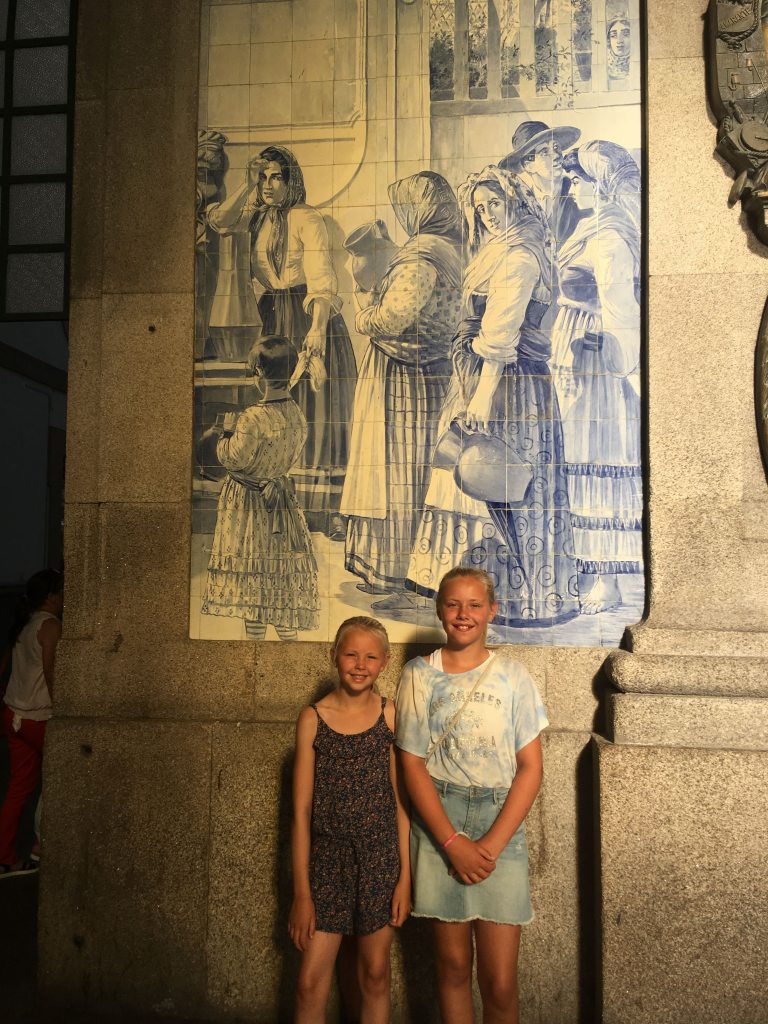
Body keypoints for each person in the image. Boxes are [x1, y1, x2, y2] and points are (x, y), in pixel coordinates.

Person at [407, 165, 579, 628]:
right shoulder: (496, 250)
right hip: (489, 375)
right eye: (479, 208)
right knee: (476, 475)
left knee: (500, 478)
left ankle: (519, 597)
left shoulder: (520, 256)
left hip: (508, 385)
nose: (486, 215)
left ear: (515, 203)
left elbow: (500, 336)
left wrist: (481, 396)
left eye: (495, 204)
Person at [396, 567, 547, 1024]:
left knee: (499, 982)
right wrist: (451, 842)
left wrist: (492, 845)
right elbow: (411, 764)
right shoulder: (418, 674)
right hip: (439, 822)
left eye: (475, 605)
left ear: (491, 611)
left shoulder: (513, 676)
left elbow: (531, 768)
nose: (464, 614)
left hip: (500, 822)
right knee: (454, 967)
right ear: (440, 610)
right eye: (453, 604)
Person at [207, 144, 357, 537]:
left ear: (291, 180)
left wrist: (317, 331)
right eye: (263, 177)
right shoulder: (255, 217)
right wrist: (246, 184)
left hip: (309, 314)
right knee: (273, 410)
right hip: (271, 316)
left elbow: (322, 280)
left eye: (276, 177)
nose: (268, 185)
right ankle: (279, 507)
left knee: (315, 410)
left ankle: (323, 511)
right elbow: (220, 221)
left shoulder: (308, 218)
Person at [342, 171, 462, 609]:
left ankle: (400, 576)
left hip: (404, 378)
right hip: (432, 371)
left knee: (399, 473)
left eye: (407, 206)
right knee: (414, 472)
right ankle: (401, 574)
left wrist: (361, 309)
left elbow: (391, 319)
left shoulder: (420, 257)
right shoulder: (452, 250)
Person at [289, 616, 410, 1024]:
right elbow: (301, 813)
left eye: (371, 657)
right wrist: (302, 895)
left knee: (374, 974)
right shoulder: (312, 718)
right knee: (309, 983)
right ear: (334, 656)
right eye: (351, 654)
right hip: (326, 863)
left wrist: (405, 878)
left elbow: (401, 804)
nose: (360, 665)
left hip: (380, 860)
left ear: (385, 662)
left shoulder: (389, 715)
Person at [551, 140, 642, 614]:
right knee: (574, 461)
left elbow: (621, 308)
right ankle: (586, 569)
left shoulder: (610, 237)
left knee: (596, 460)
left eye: (577, 180)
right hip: (572, 353)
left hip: (594, 362)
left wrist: (613, 361)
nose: (571, 188)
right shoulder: (591, 228)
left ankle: (607, 580)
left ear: (599, 184)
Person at [201, 334, 319, 640]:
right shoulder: (296, 414)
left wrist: (225, 433)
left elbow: (233, 458)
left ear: (259, 374)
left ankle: (255, 646)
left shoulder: (252, 418)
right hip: (282, 503)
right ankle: (286, 644)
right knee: (279, 583)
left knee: (253, 584)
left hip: (249, 504)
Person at [0, 569, 63, 879]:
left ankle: (4, 858)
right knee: (59, 775)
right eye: (62, 592)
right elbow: (51, 670)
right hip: (38, 717)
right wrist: (63, 708)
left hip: (13, 715)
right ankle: (41, 845)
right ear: (51, 596)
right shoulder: (50, 625)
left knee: (19, 788)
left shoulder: (24, 623)